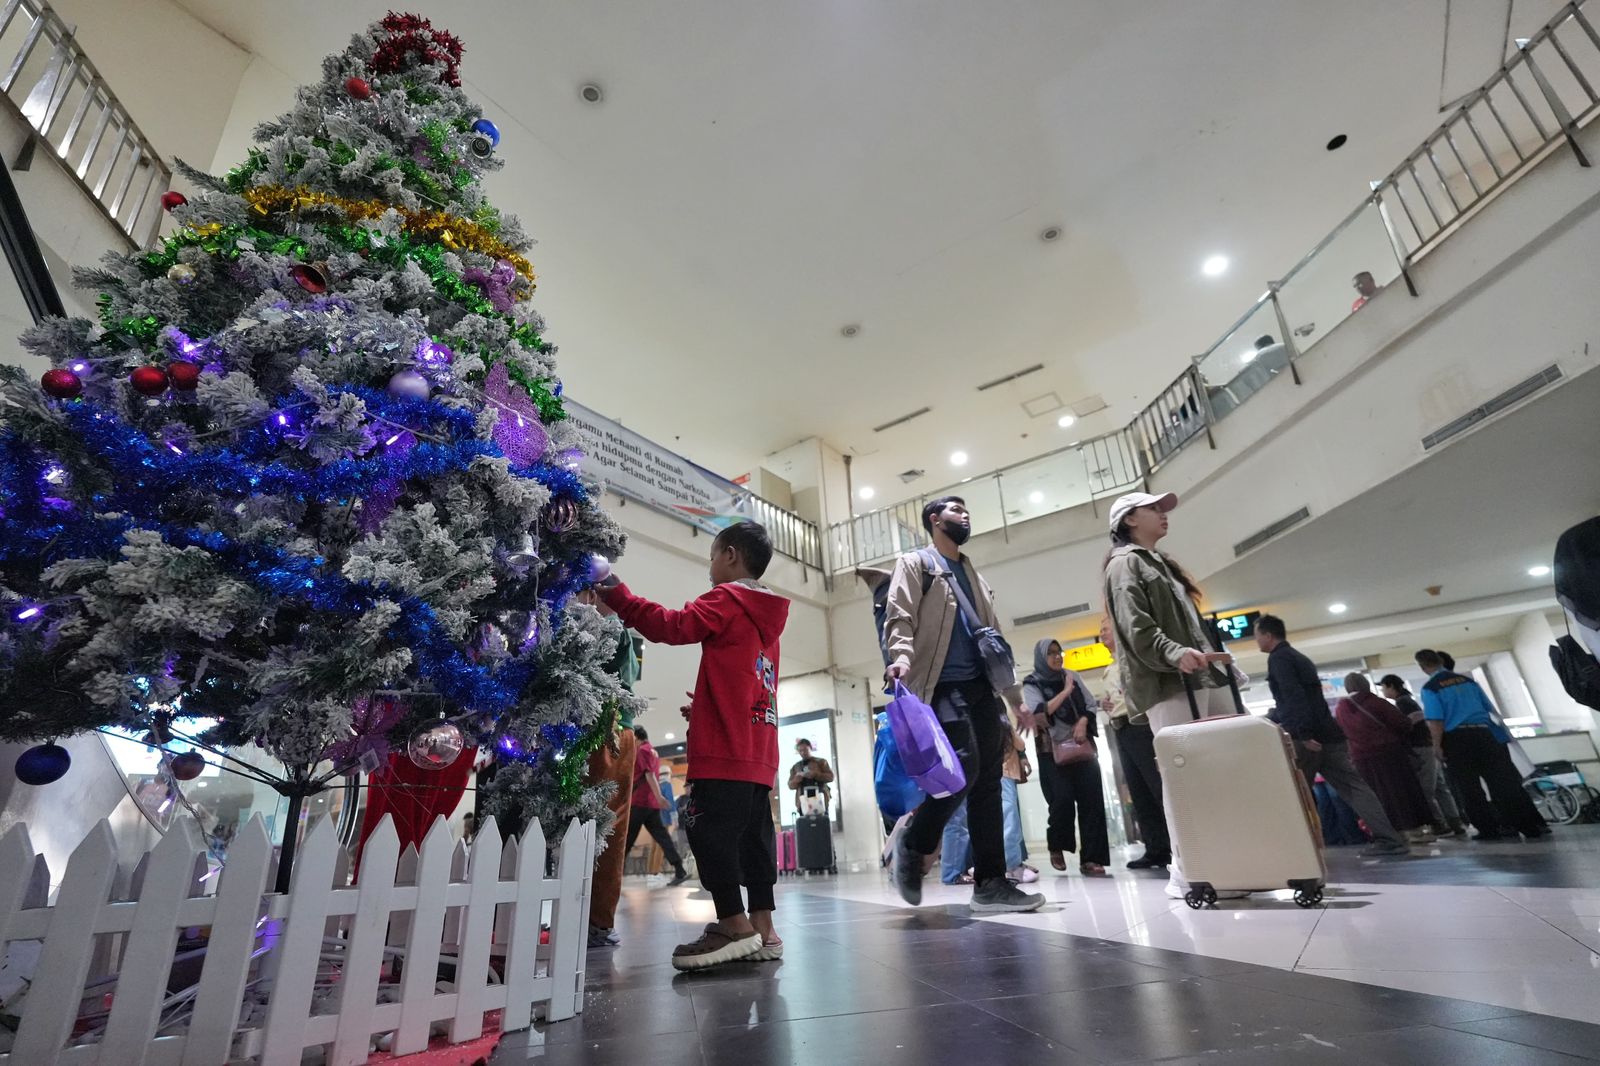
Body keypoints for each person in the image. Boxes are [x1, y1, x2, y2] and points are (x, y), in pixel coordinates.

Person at [601, 520, 791, 969]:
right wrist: (707, 703)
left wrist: (614, 590)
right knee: (754, 839)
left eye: (712, 556)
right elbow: (752, 682)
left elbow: (672, 626)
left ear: (730, 555)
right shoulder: (769, 619)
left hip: (724, 748)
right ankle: (764, 929)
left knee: (708, 832)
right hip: (757, 748)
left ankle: (731, 925)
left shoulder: (728, 597)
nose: (710, 566)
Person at [883, 496, 1044, 914]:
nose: (965, 514)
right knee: (964, 766)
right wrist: (899, 656)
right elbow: (898, 614)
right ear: (935, 520)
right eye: (955, 510)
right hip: (939, 686)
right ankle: (914, 844)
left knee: (990, 780)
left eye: (967, 509)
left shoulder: (973, 573)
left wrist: (1013, 699)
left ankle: (990, 884)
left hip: (980, 688)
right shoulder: (916, 563)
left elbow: (994, 641)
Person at [1103, 491, 1246, 900]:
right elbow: (1137, 626)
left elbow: (1190, 626)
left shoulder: (1160, 564)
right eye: (1153, 509)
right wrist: (1174, 653)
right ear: (1128, 519)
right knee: (1183, 779)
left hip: (1201, 678)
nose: (1163, 515)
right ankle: (1188, 872)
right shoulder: (1124, 564)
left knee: (1214, 774)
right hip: (1168, 683)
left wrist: (1218, 663)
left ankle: (1226, 864)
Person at [1255, 615, 1410, 856]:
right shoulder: (1299, 657)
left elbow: (1293, 696)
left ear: (1268, 635)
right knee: (1355, 787)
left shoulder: (1280, 659)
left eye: (1257, 635)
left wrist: (1304, 733)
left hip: (1307, 738)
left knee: (1295, 793)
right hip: (1330, 734)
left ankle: (1297, 850)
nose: (1256, 641)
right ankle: (1389, 838)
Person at [1415, 649, 1548, 841]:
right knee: (1503, 784)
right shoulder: (1469, 682)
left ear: (1423, 667)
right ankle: (1528, 826)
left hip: (1456, 740)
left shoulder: (1431, 688)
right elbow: (1489, 709)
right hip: (1484, 734)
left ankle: (1488, 830)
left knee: (1469, 789)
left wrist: (1436, 746)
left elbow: (1436, 721)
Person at [581, 588, 645, 949]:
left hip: (605, 726)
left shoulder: (605, 626)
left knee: (606, 825)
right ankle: (598, 921)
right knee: (610, 825)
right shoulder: (615, 629)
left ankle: (596, 920)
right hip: (612, 727)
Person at [1021, 639, 1111, 876]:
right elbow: (1039, 712)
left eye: (1058, 652)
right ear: (1041, 657)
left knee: (1092, 802)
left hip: (1082, 748)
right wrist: (1065, 692)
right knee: (1061, 800)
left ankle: (1092, 859)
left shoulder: (1072, 675)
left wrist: (1082, 722)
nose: (1056, 657)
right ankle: (1057, 845)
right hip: (1051, 752)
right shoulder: (1032, 682)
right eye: (1050, 653)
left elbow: (1090, 704)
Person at [1099, 615, 1171, 870]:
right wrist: (1103, 704)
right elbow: (1112, 698)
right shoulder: (1109, 668)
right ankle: (1156, 848)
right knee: (1138, 790)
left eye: (1106, 630)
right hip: (1120, 728)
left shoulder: (1132, 660)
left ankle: (1175, 845)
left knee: (1156, 785)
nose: (1102, 635)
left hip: (1140, 725)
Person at [1333, 674, 1437, 844]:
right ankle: (1413, 830)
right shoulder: (1375, 702)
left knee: (1380, 796)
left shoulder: (1341, 709)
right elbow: (1402, 723)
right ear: (1365, 684)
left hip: (1361, 759)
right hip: (1390, 755)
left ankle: (1391, 832)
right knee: (1401, 792)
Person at [1381, 674, 1466, 836]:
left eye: (1384, 687)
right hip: (1427, 746)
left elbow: (1409, 725)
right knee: (1440, 787)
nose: (1384, 691)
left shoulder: (1403, 702)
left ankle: (1438, 823)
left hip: (1420, 749)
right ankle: (1455, 822)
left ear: (1391, 686)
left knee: (1425, 789)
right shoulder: (1407, 700)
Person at [625, 726, 690, 887]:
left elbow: (649, 775)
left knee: (627, 838)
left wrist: (659, 796)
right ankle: (679, 869)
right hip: (651, 804)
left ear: (637, 737)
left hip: (640, 801)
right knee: (663, 838)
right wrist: (657, 797)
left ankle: (611, 874)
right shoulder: (654, 751)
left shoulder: (642, 750)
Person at [787, 738, 835, 816]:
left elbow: (831, 777)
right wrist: (796, 780)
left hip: (820, 800)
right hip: (803, 803)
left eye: (805, 750)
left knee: (822, 825)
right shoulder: (795, 767)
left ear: (810, 748)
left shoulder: (821, 762)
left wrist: (816, 774)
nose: (803, 753)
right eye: (800, 751)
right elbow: (790, 785)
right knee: (805, 826)